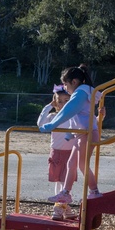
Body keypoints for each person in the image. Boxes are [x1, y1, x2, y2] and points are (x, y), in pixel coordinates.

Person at [38, 63, 102, 203]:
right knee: (71, 164)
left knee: (81, 165)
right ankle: (66, 193)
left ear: (74, 82)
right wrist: (69, 135)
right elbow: (78, 117)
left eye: (65, 84)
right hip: (83, 133)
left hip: (87, 133)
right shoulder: (85, 91)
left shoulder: (81, 92)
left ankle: (95, 192)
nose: (65, 88)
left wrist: (52, 125)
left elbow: (69, 111)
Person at [36, 84, 80, 220]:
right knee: (58, 181)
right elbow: (40, 123)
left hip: (71, 153)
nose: (63, 104)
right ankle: (59, 208)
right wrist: (49, 106)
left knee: (66, 182)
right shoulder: (53, 117)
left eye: (67, 101)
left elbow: (87, 124)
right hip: (56, 152)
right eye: (59, 101)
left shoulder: (74, 116)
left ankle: (63, 208)